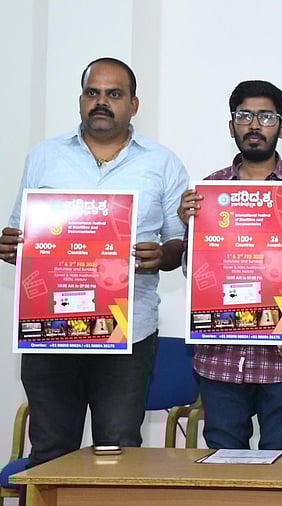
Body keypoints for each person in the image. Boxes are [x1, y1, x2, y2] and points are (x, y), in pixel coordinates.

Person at [0, 57, 189, 466]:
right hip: (51, 331)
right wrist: (13, 246)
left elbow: (179, 243)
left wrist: (164, 256)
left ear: (133, 104)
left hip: (127, 333)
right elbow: (19, 232)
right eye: (93, 93)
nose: (101, 102)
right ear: (82, 100)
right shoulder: (44, 157)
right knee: (50, 451)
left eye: (114, 94)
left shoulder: (162, 163)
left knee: (117, 452)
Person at [178, 80, 282, 450]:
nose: (255, 125)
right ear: (231, 126)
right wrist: (189, 225)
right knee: (222, 459)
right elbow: (195, 270)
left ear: (281, 127)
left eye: (266, 116)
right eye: (244, 116)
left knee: (281, 460)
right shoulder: (209, 189)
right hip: (220, 355)